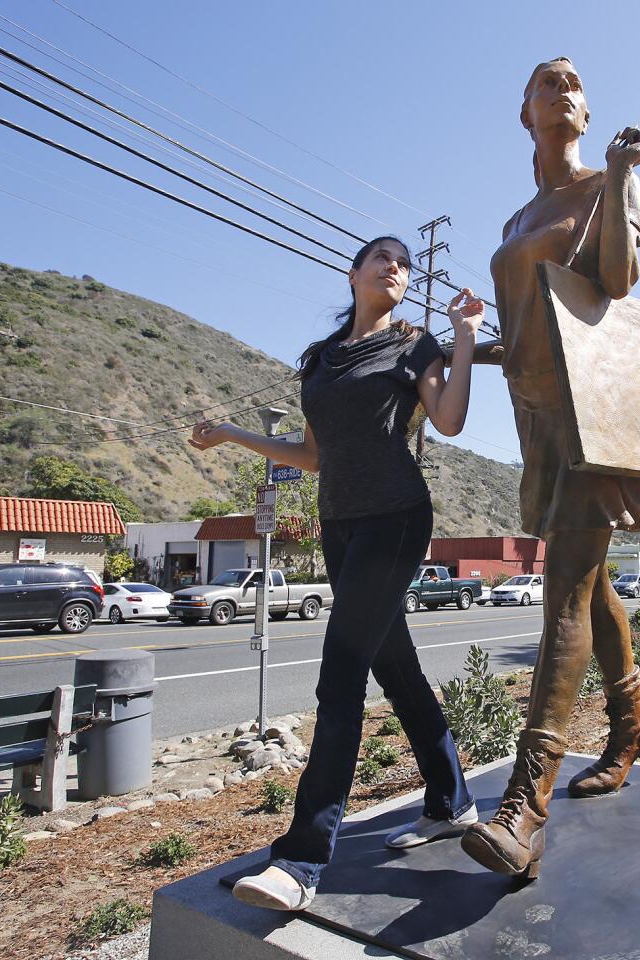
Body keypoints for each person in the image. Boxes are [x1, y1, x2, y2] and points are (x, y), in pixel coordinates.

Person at [189, 236, 484, 911]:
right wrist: (233, 434)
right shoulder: (319, 361)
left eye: (404, 263)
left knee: (340, 675)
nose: (395, 267)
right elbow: (314, 456)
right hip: (340, 524)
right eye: (381, 257)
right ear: (352, 274)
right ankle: (451, 802)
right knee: (398, 671)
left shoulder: (414, 344)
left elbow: (450, 419)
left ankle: (300, 862)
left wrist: (462, 338)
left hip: (396, 518)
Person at [460, 58, 640, 881]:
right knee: (594, 582)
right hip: (535, 416)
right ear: (525, 113)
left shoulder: (603, 183)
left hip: (593, 412)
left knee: (565, 589)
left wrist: (618, 176)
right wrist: (455, 349)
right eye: (549, 83)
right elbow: (525, 332)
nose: (567, 91)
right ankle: (633, 723)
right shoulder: (519, 214)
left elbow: (612, 282)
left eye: (576, 83)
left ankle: (526, 804)